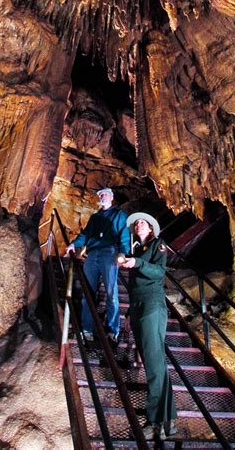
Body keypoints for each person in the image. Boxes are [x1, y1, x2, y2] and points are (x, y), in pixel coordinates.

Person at [120, 212, 177, 441]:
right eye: (136, 223)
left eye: (143, 222)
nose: (139, 224)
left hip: (153, 304)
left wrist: (138, 263)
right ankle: (169, 419)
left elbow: (159, 272)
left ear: (151, 228)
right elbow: (134, 285)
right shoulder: (136, 251)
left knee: (153, 364)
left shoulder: (157, 246)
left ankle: (154, 420)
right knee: (156, 363)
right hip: (138, 305)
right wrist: (128, 312)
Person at [66, 187, 130, 343]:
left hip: (110, 252)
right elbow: (86, 234)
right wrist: (74, 244)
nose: (102, 196)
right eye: (100, 194)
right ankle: (86, 328)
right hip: (93, 254)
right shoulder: (95, 218)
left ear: (111, 197)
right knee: (87, 292)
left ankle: (112, 330)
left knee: (110, 292)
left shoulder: (119, 214)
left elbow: (124, 234)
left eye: (105, 194)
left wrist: (123, 252)